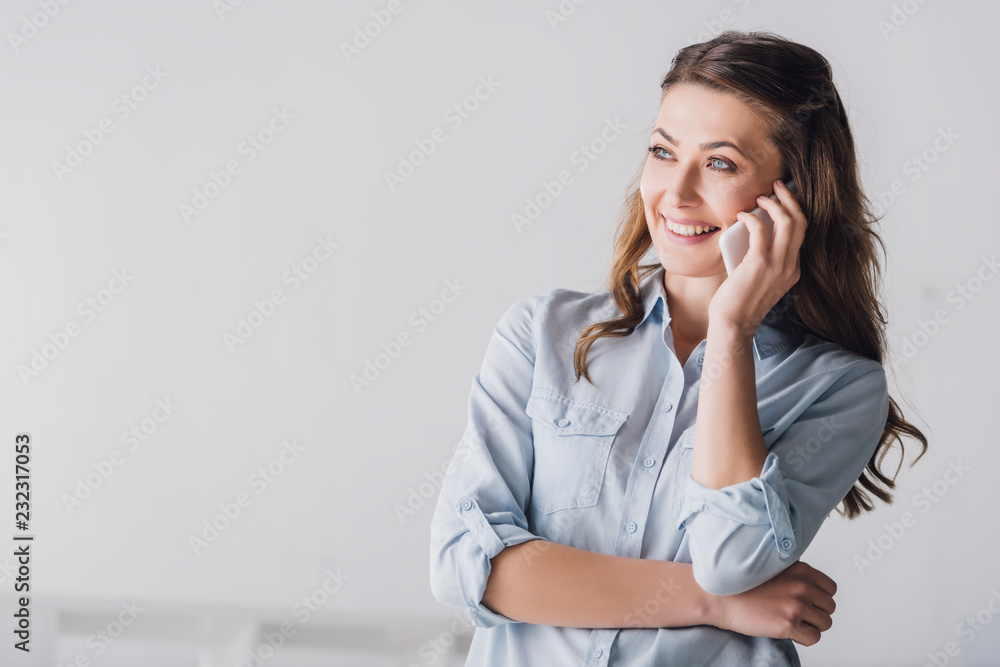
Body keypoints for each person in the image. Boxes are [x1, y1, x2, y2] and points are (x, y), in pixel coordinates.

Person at [429, 29, 928, 666]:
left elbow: (730, 558)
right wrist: (716, 606)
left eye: (721, 162)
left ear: (792, 196)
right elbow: (465, 568)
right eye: (663, 151)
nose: (678, 191)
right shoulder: (541, 335)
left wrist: (732, 330)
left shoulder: (836, 385)